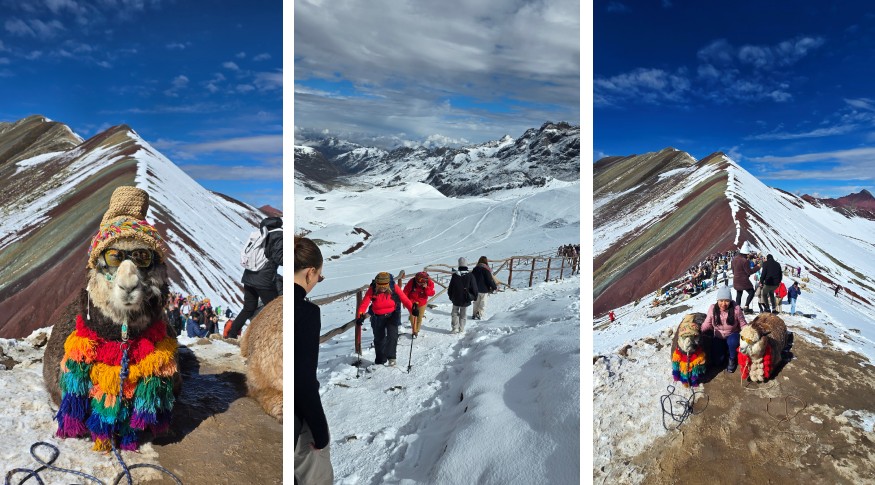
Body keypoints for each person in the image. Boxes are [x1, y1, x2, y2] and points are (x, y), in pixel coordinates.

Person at [294, 236, 333, 485]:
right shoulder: (307, 313)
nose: (317, 281)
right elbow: (304, 379)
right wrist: (321, 433)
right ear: (310, 273)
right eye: (319, 276)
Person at [227, 216, 283, 338]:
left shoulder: (261, 234)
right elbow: (280, 258)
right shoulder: (278, 235)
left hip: (249, 277)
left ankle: (231, 334)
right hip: (264, 280)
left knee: (248, 308)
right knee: (274, 309)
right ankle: (268, 337)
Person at [356, 272, 414, 366]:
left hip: (392, 315)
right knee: (379, 339)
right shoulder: (373, 289)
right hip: (377, 316)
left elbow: (405, 299)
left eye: (385, 286)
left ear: (388, 284)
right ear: (377, 284)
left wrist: (412, 310)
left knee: (392, 336)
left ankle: (391, 358)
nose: (382, 288)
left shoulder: (394, 287)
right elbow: (364, 303)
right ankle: (380, 360)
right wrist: (360, 316)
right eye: (380, 286)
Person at [700, 285, 748, 373]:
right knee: (718, 362)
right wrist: (699, 330)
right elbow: (707, 323)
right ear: (717, 300)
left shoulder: (736, 309)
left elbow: (743, 324)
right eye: (721, 300)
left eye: (726, 301)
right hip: (718, 337)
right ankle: (726, 350)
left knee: (732, 342)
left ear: (730, 301)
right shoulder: (713, 309)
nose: (723, 304)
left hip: (732, 335)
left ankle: (732, 358)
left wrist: (748, 334)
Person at [447, 257, 478, 334]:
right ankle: (462, 328)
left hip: (455, 297)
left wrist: (451, 296)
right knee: (463, 314)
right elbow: (474, 287)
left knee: (454, 313)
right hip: (465, 298)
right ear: (466, 265)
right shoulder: (470, 275)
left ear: (459, 265)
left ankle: (455, 328)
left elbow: (450, 287)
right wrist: (475, 296)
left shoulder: (455, 275)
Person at [403, 271, 435, 338]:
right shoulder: (412, 281)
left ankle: (417, 330)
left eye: (421, 283)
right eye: (418, 283)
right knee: (412, 317)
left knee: (419, 317)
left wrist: (426, 288)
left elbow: (431, 293)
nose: (419, 284)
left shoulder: (429, 282)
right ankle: (414, 331)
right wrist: (404, 302)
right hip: (412, 301)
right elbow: (405, 291)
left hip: (422, 302)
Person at [732, 241, 760, 313]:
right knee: (751, 292)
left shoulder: (734, 259)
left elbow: (733, 270)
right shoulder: (745, 261)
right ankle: (746, 307)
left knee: (739, 293)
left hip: (736, 280)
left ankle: (737, 308)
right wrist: (757, 267)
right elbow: (749, 272)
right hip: (743, 280)